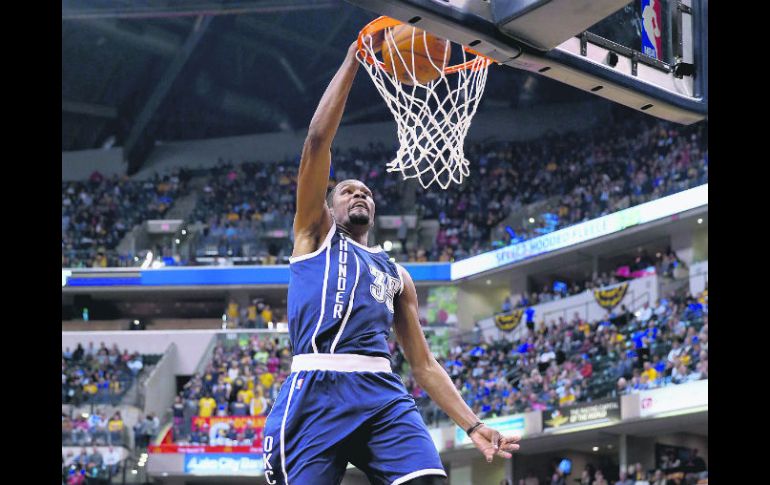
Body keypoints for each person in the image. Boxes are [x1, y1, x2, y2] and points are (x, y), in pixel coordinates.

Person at [261, 41, 520, 485]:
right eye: (347, 191)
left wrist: (473, 425)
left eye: (366, 192)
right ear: (327, 204)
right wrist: (351, 60)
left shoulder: (396, 275)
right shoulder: (313, 236)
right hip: (316, 392)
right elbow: (317, 142)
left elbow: (423, 365)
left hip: (382, 394)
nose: (359, 194)